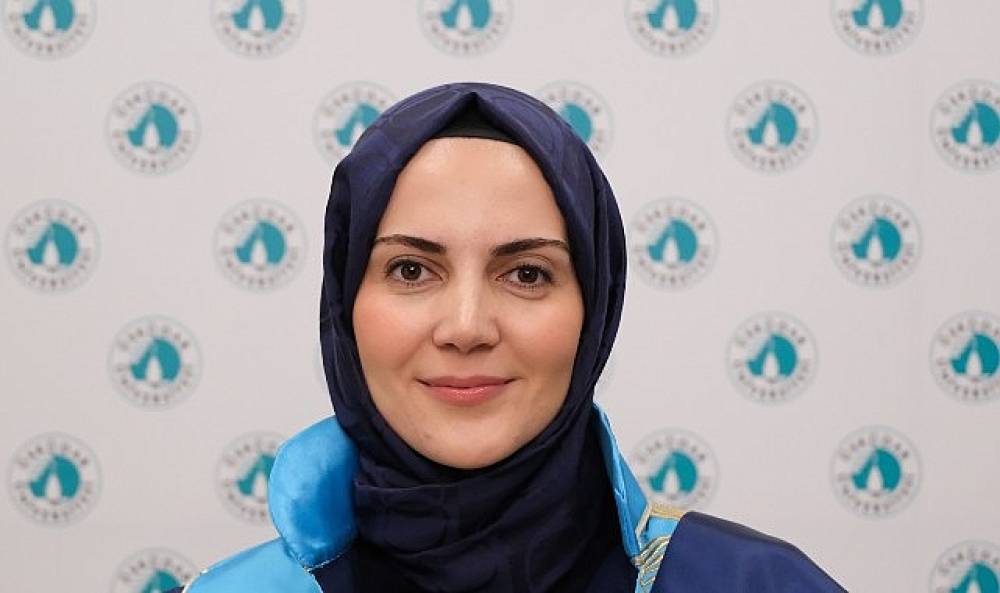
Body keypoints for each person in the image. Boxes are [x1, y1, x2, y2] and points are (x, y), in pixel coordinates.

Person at [173, 82, 847, 593]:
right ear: (345, 306)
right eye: (411, 270)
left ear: (594, 310)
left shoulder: (751, 583)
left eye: (526, 273)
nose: (467, 327)